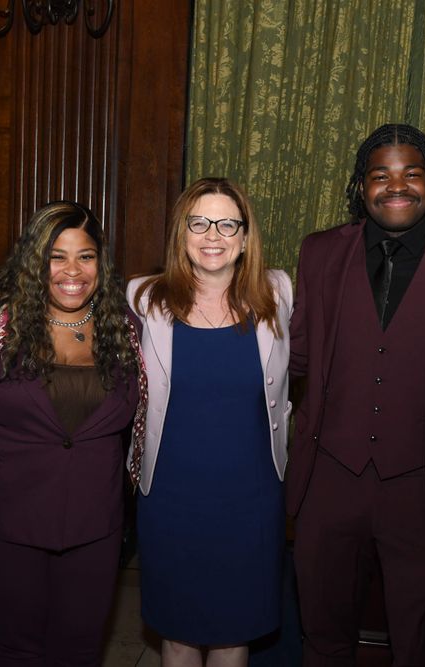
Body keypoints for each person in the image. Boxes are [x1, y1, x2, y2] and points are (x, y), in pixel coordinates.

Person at [287, 123, 425, 665]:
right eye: (380, 175)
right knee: (322, 633)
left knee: (418, 642)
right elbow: (294, 353)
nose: (396, 186)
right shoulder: (319, 252)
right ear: (362, 187)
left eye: (411, 174)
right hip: (329, 480)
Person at [127, 177, 292, 666]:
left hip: (252, 496)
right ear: (182, 233)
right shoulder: (142, 298)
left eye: (226, 223)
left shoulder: (280, 293)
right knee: (177, 634)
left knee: (232, 633)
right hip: (170, 497)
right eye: (199, 222)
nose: (212, 235)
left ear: (244, 238)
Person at [0, 200, 145, 665]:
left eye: (86, 256)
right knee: (19, 650)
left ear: (100, 262)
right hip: (12, 521)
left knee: (80, 651)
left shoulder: (128, 330)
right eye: (57, 256)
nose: (73, 270)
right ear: (35, 260)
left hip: (97, 525)